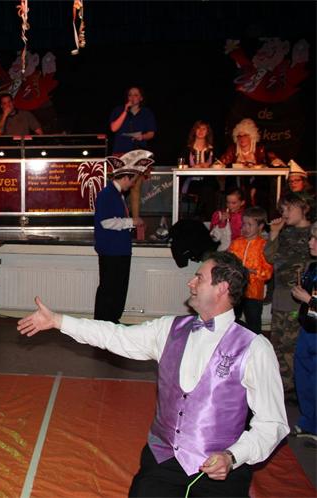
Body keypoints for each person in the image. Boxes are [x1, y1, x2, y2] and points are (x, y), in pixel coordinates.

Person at [18, 251, 289, 497]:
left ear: (222, 288)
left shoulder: (255, 347)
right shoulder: (169, 329)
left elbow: (272, 424)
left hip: (221, 470)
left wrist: (232, 456)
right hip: (163, 460)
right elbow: (115, 335)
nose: (190, 283)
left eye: (199, 278)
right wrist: (58, 321)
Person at [264, 192, 314, 401]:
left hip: (300, 299)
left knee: (292, 345)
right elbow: (269, 257)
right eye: (282, 209)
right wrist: (274, 234)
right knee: (277, 343)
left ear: (303, 208)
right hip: (281, 296)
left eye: (288, 209)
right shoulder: (285, 233)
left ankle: (297, 387)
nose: (284, 213)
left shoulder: (312, 233)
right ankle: (283, 387)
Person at [93, 150, 152, 323]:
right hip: (112, 250)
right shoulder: (107, 194)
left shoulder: (114, 194)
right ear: (126, 177)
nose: (133, 184)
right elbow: (106, 222)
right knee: (110, 289)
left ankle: (110, 321)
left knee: (116, 289)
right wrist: (132, 221)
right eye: (133, 180)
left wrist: (130, 222)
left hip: (118, 250)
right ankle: (104, 323)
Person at [109, 87, 157, 220]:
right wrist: (125, 111)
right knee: (118, 186)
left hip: (138, 154)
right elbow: (114, 128)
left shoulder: (146, 113)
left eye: (136, 95)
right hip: (120, 153)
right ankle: (116, 218)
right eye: (130, 95)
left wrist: (142, 137)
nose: (132, 97)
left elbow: (151, 133)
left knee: (135, 186)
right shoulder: (119, 110)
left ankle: (135, 219)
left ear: (141, 98)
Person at [217, 118, 285, 211]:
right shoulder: (232, 149)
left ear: (252, 136)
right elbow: (221, 162)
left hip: (257, 182)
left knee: (261, 187)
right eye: (239, 136)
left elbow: (272, 159)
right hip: (237, 181)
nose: (242, 138)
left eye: (245, 135)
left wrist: (274, 161)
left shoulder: (260, 148)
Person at [290, 221, 317, 440]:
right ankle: (308, 421)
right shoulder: (313, 268)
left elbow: (310, 300)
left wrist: (308, 299)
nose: (310, 242)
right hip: (308, 329)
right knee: (304, 378)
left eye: (315, 239)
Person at [228, 206, 273, 334]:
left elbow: (268, 273)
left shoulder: (264, 245)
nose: (246, 228)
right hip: (235, 290)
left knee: (254, 325)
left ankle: (254, 345)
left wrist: (253, 272)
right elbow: (227, 264)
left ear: (260, 226)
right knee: (231, 322)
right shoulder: (236, 243)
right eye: (244, 224)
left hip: (254, 293)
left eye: (250, 224)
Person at [181, 120, 220, 220]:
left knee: (208, 188)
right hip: (192, 181)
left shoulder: (212, 149)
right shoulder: (187, 149)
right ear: (194, 131)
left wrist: (209, 165)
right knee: (205, 191)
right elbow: (181, 165)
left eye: (204, 129)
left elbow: (219, 163)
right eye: (198, 128)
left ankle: (205, 219)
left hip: (208, 181)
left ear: (207, 132)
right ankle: (200, 218)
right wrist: (192, 167)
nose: (201, 131)